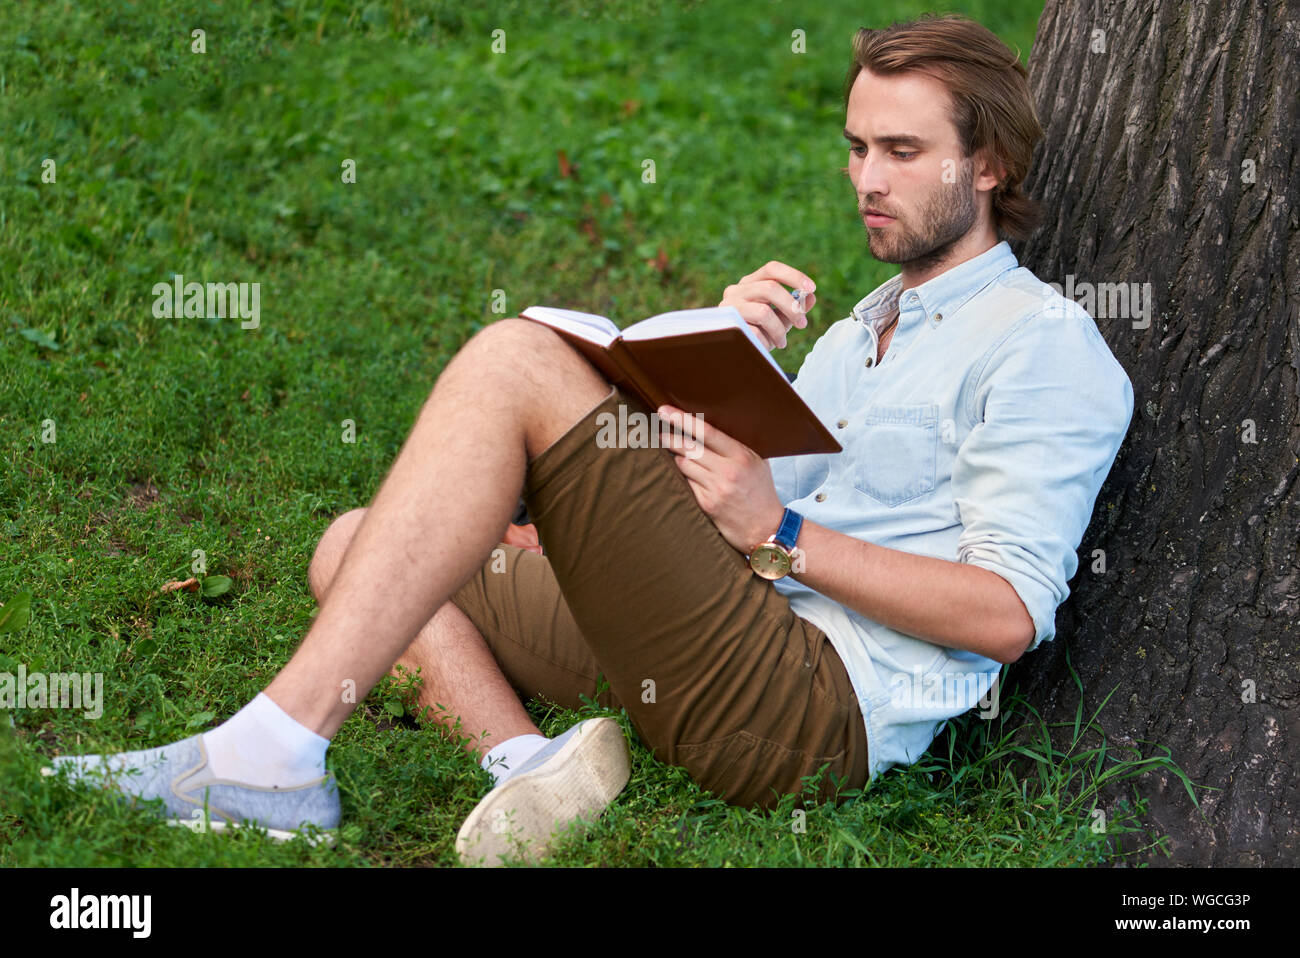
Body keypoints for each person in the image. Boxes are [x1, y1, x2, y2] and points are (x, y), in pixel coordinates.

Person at [46, 13, 1134, 865]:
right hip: (720, 631)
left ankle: (269, 762)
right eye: (855, 147)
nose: (865, 179)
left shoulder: (1043, 345)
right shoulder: (856, 334)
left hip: (807, 708)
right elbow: (719, 513)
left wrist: (783, 527)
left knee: (518, 358)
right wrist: (713, 359)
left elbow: (1004, 616)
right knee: (359, 546)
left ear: (987, 166)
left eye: (902, 150)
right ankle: (531, 763)